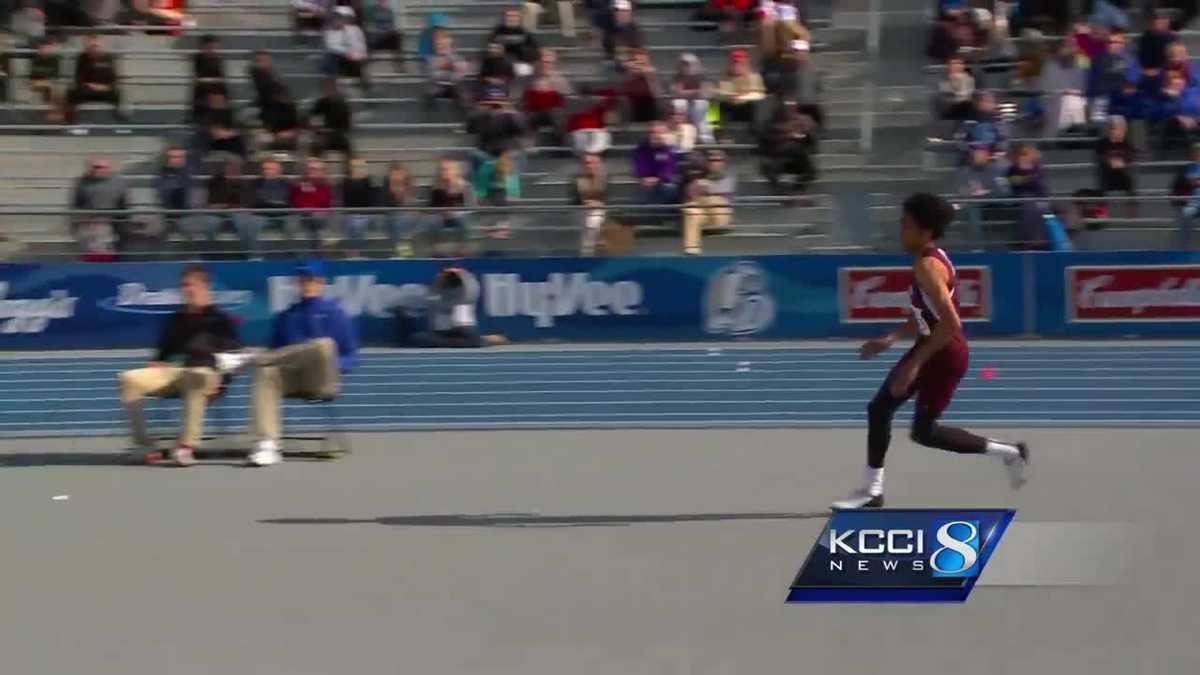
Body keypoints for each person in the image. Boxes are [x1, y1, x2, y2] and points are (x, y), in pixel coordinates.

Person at [831, 193, 1029, 510]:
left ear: (924, 231)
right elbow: (926, 314)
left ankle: (1010, 453)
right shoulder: (930, 257)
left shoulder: (927, 265)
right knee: (884, 411)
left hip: (944, 353)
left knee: (920, 430)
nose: (900, 230)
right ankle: (872, 491)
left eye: (905, 224)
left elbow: (951, 322)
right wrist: (891, 337)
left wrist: (916, 363)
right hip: (932, 346)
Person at [117, 265, 240, 466]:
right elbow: (162, 354)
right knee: (128, 379)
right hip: (175, 373)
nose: (187, 290)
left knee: (197, 375)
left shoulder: (221, 320)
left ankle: (185, 446)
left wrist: (224, 383)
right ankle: (144, 445)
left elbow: (233, 358)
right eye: (184, 285)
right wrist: (156, 363)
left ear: (205, 287)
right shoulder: (175, 319)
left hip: (206, 373)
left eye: (192, 285)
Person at [248, 259, 358, 467]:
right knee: (265, 371)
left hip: (321, 378)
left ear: (321, 283)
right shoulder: (287, 316)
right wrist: (274, 357)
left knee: (323, 345)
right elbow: (275, 351)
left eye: (311, 280)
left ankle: (256, 357)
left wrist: (335, 366)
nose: (307, 284)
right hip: (292, 377)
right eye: (303, 280)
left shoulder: (335, 313)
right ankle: (267, 443)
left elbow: (351, 355)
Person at [71, 156, 130, 255]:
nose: (97, 170)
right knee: (90, 252)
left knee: (108, 252)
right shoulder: (82, 182)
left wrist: (123, 223)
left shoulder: (119, 182)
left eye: (100, 167)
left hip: (111, 224)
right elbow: (77, 203)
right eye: (95, 167)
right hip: (89, 224)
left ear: (108, 168)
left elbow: (123, 203)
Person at [682, 149, 735, 254]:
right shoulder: (700, 177)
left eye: (718, 160)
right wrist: (696, 188)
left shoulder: (729, 177)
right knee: (692, 211)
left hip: (721, 215)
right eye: (711, 160)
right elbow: (689, 193)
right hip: (705, 215)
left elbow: (723, 194)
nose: (714, 163)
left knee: (710, 199)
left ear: (724, 163)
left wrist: (704, 188)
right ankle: (692, 249)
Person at [64, 34, 125, 125]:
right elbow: (78, 78)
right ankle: (70, 121)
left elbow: (113, 78)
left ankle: (119, 120)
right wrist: (90, 85)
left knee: (118, 92)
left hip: (104, 90)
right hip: (87, 90)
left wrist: (105, 87)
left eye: (96, 45)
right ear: (87, 45)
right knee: (71, 91)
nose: (94, 47)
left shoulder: (108, 57)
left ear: (100, 44)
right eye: (91, 45)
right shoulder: (81, 58)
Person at [522, 47, 570, 144]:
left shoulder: (561, 81)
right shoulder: (523, 81)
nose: (545, 65)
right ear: (535, 62)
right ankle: (527, 146)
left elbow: (568, 102)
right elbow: (516, 101)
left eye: (548, 62)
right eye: (542, 61)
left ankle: (561, 146)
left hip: (555, 115)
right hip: (532, 113)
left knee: (557, 114)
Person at [429, 158, 474, 257]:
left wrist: (455, 213)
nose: (443, 172)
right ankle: (437, 251)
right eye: (441, 169)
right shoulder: (437, 186)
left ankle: (462, 251)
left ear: (454, 171)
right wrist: (441, 212)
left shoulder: (465, 186)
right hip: (442, 217)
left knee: (464, 221)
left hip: (460, 216)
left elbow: (470, 208)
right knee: (433, 220)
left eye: (446, 169)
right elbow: (431, 207)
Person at [717, 49, 765, 139]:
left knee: (758, 105)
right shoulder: (725, 77)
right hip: (730, 106)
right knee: (714, 105)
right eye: (735, 63)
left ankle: (755, 134)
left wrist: (743, 97)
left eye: (741, 63)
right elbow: (722, 92)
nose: (737, 65)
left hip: (746, 107)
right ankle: (719, 134)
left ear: (746, 63)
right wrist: (730, 96)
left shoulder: (754, 76)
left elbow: (759, 94)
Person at [632, 121, 680, 208]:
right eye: (653, 132)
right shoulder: (641, 149)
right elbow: (639, 168)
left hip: (663, 183)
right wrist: (645, 178)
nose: (656, 135)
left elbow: (670, 170)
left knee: (671, 189)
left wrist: (658, 178)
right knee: (643, 190)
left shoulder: (668, 150)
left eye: (659, 133)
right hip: (645, 183)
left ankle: (663, 215)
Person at [324, 5, 370, 93]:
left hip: (354, 60)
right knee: (332, 57)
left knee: (359, 63)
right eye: (338, 17)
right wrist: (347, 53)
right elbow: (331, 47)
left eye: (344, 18)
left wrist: (361, 54)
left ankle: (365, 88)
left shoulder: (355, 30)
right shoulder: (329, 31)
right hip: (340, 61)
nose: (341, 20)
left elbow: (361, 45)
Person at [671, 53, 715, 144]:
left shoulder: (703, 76)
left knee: (703, 104)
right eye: (683, 64)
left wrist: (689, 93)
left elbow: (707, 93)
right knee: (679, 103)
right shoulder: (677, 77)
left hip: (702, 108)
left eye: (687, 64)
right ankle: (682, 136)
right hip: (686, 107)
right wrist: (696, 92)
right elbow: (677, 93)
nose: (685, 67)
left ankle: (705, 137)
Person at [570, 152, 608, 256]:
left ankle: (586, 253)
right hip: (581, 210)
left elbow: (611, 198)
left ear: (599, 164)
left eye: (593, 162)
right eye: (586, 163)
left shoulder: (606, 178)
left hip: (601, 208)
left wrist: (598, 203)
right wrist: (585, 203)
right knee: (591, 222)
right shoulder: (576, 179)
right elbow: (573, 199)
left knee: (592, 222)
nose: (589, 165)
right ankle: (590, 249)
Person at [251, 157, 294, 245]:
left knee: (292, 223)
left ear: (279, 171)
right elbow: (253, 203)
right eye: (265, 169)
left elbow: (290, 204)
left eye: (271, 169)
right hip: (260, 215)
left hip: (283, 216)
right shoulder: (255, 183)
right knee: (250, 223)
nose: (267, 171)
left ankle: (293, 254)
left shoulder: (288, 184)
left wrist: (267, 203)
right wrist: (275, 203)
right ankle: (255, 256)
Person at [292, 157, 335, 245]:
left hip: (320, 216)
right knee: (313, 219)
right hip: (302, 215)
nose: (315, 171)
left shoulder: (326, 186)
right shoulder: (299, 184)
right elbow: (295, 200)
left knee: (318, 219)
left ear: (323, 171)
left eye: (319, 169)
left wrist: (318, 210)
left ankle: (318, 246)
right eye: (312, 169)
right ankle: (325, 236)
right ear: (307, 170)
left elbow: (327, 202)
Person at [424, 30, 468, 112]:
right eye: (438, 44)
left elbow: (459, 76)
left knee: (461, 93)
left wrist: (446, 67)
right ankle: (431, 118)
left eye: (443, 44)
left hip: (453, 87)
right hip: (438, 87)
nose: (441, 46)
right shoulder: (431, 58)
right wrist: (450, 69)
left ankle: (463, 117)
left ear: (449, 44)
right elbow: (433, 76)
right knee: (428, 94)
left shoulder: (457, 57)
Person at [380, 161, 417, 257]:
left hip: (407, 215)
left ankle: (399, 253)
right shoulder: (386, 184)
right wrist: (393, 187)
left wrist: (401, 190)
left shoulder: (408, 183)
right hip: (391, 215)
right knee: (395, 221)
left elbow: (410, 205)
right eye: (394, 174)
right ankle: (403, 253)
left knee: (400, 221)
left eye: (398, 173)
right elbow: (385, 205)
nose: (396, 176)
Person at [156, 145, 194, 239]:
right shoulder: (162, 174)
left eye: (181, 157)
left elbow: (188, 199)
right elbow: (164, 196)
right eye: (174, 157)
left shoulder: (188, 173)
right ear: (168, 159)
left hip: (187, 213)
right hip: (168, 213)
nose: (179, 160)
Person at [489, 7, 539, 76]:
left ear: (519, 18)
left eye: (514, 16)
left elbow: (534, 48)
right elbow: (492, 47)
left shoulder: (524, 31)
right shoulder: (498, 31)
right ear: (505, 18)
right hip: (503, 62)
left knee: (525, 71)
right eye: (509, 16)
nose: (512, 18)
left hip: (521, 63)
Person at [341, 155, 375, 256]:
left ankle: (356, 252)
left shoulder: (367, 181)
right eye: (355, 167)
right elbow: (346, 201)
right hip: (350, 213)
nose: (358, 169)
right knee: (351, 224)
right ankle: (353, 251)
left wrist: (362, 180)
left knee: (358, 226)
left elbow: (369, 200)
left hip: (364, 214)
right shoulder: (346, 181)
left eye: (360, 167)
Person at [310, 78, 354, 156]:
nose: (328, 91)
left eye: (331, 88)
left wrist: (333, 132)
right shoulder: (320, 104)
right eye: (326, 88)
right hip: (323, 135)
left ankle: (350, 167)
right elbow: (313, 119)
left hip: (337, 136)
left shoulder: (342, 105)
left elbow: (347, 126)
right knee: (315, 146)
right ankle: (316, 167)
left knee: (349, 149)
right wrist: (320, 131)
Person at [1096, 115, 1135, 202]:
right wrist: (1113, 162)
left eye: (1118, 128)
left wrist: (1121, 163)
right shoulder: (1102, 143)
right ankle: (1102, 211)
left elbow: (1129, 157)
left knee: (1129, 183)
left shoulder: (1125, 143)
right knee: (1104, 186)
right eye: (1112, 128)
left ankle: (1132, 210)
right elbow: (1102, 157)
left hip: (1122, 173)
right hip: (1107, 174)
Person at [191, 34, 227, 122]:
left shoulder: (217, 60)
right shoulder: (200, 60)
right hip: (207, 102)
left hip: (213, 102)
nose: (213, 50)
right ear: (202, 48)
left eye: (215, 48)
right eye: (210, 48)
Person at [622, 49, 661, 123]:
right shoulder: (630, 73)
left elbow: (656, 93)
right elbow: (626, 91)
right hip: (634, 106)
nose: (639, 64)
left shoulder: (651, 72)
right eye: (637, 61)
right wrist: (631, 72)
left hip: (650, 106)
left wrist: (647, 75)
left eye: (642, 61)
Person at [28, 38, 62, 123]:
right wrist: (44, 83)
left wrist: (47, 83)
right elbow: (32, 79)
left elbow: (55, 78)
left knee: (55, 88)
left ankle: (52, 115)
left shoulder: (55, 59)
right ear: (39, 48)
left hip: (50, 85)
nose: (46, 49)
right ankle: (51, 114)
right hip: (36, 84)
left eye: (48, 47)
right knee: (50, 87)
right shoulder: (35, 59)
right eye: (43, 47)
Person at [364, 0, 403, 70]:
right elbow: (369, 26)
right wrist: (378, 30)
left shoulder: (389, 11)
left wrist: (389, 30)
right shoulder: (372, 11)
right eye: (382, 1)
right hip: (375, 38)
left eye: (385, 1)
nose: (384, 2)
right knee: (369, 36)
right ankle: (366, 62)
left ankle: (398, 63)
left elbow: (392, 25)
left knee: (397, 35)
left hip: (386, 36)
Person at [937, 54, 975, 121]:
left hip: (966, 110)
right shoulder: (943, 79)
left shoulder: (969, 78)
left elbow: (967, 98)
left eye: (960, 63)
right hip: (949, 111)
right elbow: (945, 99)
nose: (957, 66)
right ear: (949, 66)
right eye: (954, 63)